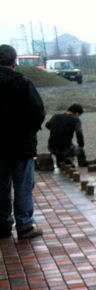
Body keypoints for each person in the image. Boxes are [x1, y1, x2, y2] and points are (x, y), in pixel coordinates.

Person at [0, 44, 45, 239]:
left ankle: (2, 226)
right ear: (14, 61)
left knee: (0, 187)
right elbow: (38, 112)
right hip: (22, 148)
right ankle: (25, 226)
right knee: (23, 187)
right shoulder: (23, 83)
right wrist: (28, 132)